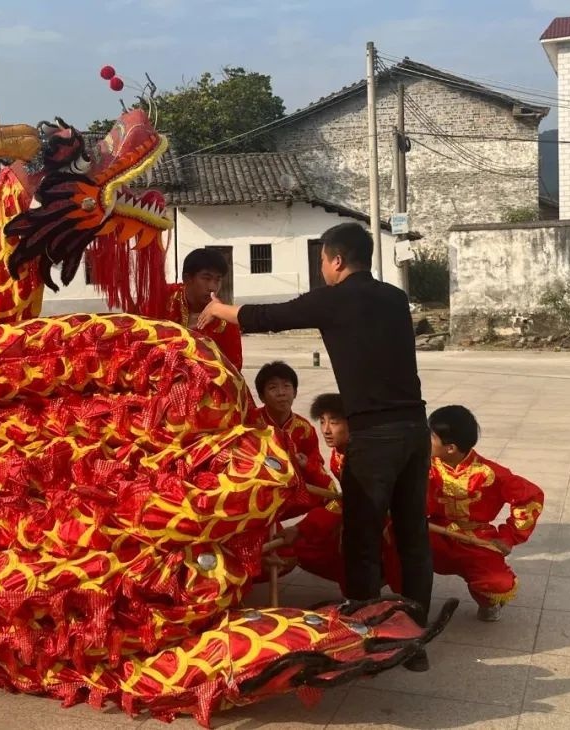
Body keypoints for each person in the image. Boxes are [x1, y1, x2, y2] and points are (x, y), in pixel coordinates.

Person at [199, 222, 432, 671]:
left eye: (322, 259)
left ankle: (367, 634)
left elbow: (268, 317)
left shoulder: (334, 298)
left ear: (337, 260)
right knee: (412, 535)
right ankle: (415, 635)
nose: (322, 267)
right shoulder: (394, 297)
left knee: (362, 537)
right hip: (414, 430)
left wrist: (217, 308)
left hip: (374, 439)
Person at [275, 394, 403, 594]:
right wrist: (308, 467)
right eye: (322, 421)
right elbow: (334, 493)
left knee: (346, 547)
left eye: (334, 422)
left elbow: (348, 502)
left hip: (382, 518)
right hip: (358, 509)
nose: (326, 430)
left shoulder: (361, 458)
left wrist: (301, 528)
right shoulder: (339, 452)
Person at [427, 405, 544, 622]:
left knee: (498, 582)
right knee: (391, 543)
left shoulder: (491, 473)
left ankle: (488, 602)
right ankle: (403, 600)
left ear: (450, 448)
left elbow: (531, 496)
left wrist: (508, 537)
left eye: (431, 437)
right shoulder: (423, 465)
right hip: (432, 533)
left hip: (475, 538)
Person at [252, 362, 334, 514]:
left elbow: (317, 464)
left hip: (293, 491)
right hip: (258, 492)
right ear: (262, 397)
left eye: (286, 386)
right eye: (273, 388)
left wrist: (306, 464)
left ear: (295, 392)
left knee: (332, 497)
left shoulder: (304, 429)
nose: (281, 393)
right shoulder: (250, 423)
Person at [160, 248, 243, 370]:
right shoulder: (163, 299)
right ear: (187, 278)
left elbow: (233, 368)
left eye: (218, 280)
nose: (213, 287)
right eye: (206, 278)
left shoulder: (225, 320)